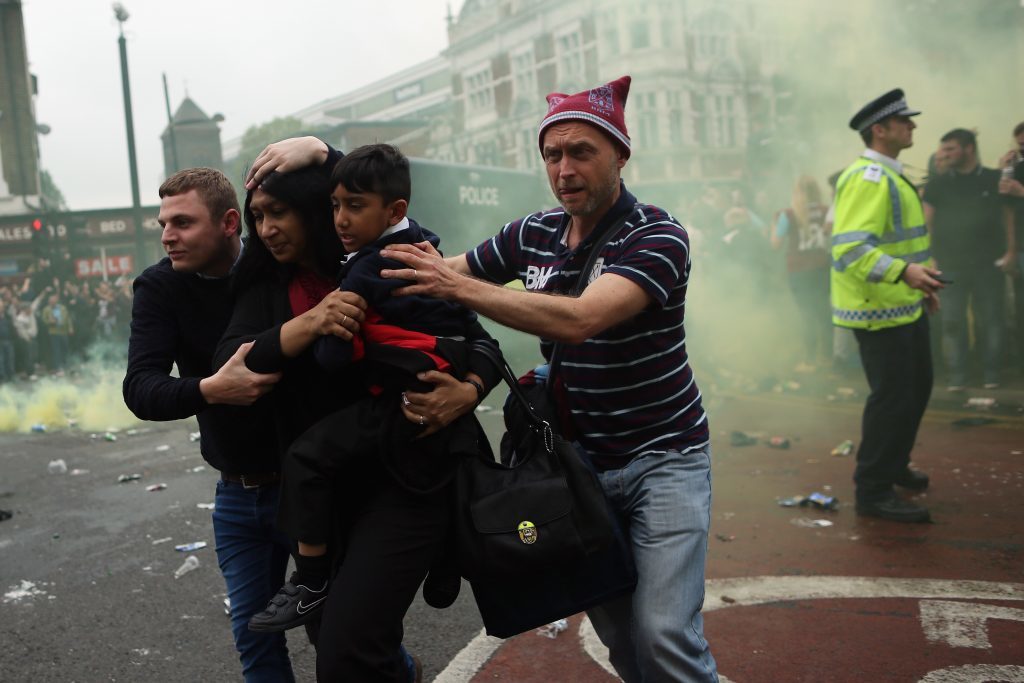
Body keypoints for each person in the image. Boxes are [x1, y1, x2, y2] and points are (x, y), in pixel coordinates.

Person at [368, 75, 717, 682]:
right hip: (577, 467)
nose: (564, 169)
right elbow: (438, 274)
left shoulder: (659, 236)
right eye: (552, 155)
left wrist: (456, 286)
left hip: (663, 458)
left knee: (664, 634)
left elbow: (581, 319)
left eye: (582, 152)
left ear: (620, 155)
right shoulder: (533, 233)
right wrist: (323, 167)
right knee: (622, 640)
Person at [216, 157, 495, 682]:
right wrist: (312, 324)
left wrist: (468, 391)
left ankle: (445, 553)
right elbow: (237, 360)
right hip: (334, 485)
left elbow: (480, 341)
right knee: (340, 640)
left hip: (409, 477)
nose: (267, 228)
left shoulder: (393, 260)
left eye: (280, 212)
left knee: (347, 648)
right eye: (257, 216)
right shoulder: (267, 286)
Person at [123, 167, 297, 682]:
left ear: (227, 223)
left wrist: (319, 150)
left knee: (341, 636)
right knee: (255, 639)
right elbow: (141, 388)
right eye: (163, 224)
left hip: (311, 485)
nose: (167, 236)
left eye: (182, 222)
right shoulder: (158, 287)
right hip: (238, 494)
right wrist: (209, 389)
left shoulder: (280, 265)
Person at [831, 88, 943, 524]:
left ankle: (893, 465)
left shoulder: (890, 175)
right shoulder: (867, 178)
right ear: (880, 130)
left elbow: (907, 245)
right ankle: (873, 489)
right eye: (904, 121)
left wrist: (923, 283)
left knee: (915, 392)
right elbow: (851, 250)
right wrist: (906, 274)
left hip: (903, 304)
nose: (912, 126)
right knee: (893, 399)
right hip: (877, 310)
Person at [923, 128, 1015, 390]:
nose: (945, 154)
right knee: (952, 321)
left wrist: (1010, 251)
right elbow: (926, 224)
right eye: (944, 149)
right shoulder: (936, 184)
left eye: (951, 149)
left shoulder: (993, 179)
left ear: (969, 148)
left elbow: (1007, 217)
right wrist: (930, 259)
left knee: (991, 320)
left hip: (989, 264)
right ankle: (958, 377)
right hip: (949, 265)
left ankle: (991, 375)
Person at [771, 175, 832, 369]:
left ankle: (810, 360)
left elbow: (775, 244)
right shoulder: (827, 211)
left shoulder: (787, 215)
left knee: (807, 315)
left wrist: (773, 228)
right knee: (824, 313)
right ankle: (828, 357)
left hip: (799, 271)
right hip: (823, 268)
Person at [999, 122, 1024, 368]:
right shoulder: (1016, 167)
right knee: (1020, 306)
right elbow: (1004, 207)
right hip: (1021, 246)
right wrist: (1003, 171)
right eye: (1020, 145)